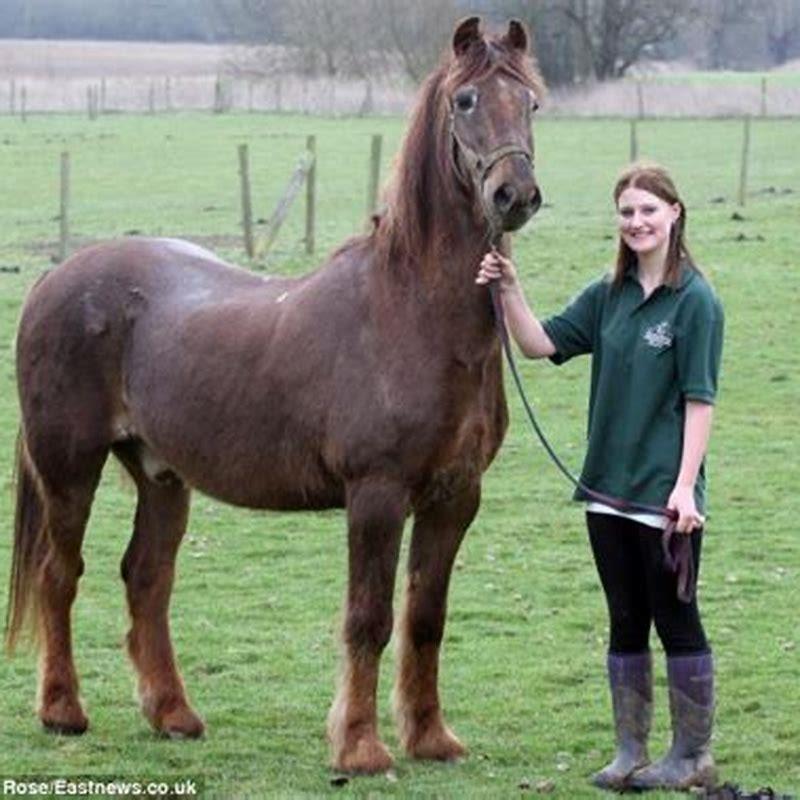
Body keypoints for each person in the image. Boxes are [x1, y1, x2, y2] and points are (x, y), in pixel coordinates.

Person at [477, 162, 724, 791]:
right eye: (627, 212)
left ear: (675, 214)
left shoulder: (695, 301)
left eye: (648, 210)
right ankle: (630, 751)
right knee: (624, 620)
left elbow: (700, 399)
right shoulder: (607, 294)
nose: (637, 222)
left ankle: (692, 756)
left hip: (664, 500)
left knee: (676, 621)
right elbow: (539, 344)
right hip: (606, 494)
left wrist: (684, 486)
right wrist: (509, 288)